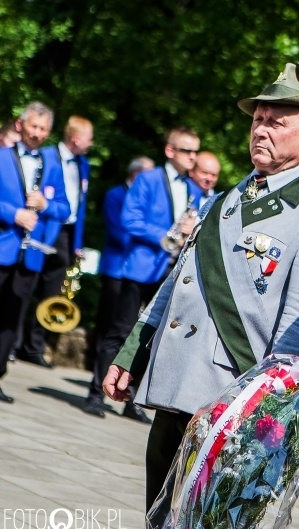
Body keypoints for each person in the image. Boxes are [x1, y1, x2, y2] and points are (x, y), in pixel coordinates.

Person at [103, 62, 299, 512]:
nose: (261, 130)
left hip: (234, 409)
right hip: (176, 387)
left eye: (276, 122)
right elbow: (179, 281)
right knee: (157, 519)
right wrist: (133, 352)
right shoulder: (225, 199)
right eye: (258, 120)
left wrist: (254, 410)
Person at [95, 127, 203, 424]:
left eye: (195, 152)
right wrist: (164, 236)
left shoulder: (193, 188)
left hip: (171, 270)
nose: (193, 158)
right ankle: (95, 392)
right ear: (170, 151)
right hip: (142, 265)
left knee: (152, 339)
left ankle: (132, 400)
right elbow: (129, 219)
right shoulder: (148, 179)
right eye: (187, 151)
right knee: (121, 330)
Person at [0, 102, 69, 403]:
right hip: (3, 246)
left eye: (43, 129)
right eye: (33, 127)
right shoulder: (2, 156)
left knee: (11, 318)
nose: (37, 134)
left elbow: (65, 208)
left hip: (30, 254)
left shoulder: (52, 165)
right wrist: (13, 213)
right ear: (20, 124)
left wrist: (46, 205)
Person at [19, 115, 94, 368]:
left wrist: (77, 242)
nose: (91, 143)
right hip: (40, 228)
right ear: (76, 138)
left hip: (66, 231)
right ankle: (14, 341)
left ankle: (35, 345)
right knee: (26, 285)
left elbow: (80, 207)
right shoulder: (47, 155)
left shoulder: (84, 164)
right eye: (89, 138)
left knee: (52, 291)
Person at [82, 156, 155, 417]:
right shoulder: (117, 194)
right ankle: (96, 391)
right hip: (118, 268)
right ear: (135, 174)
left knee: (140, 335)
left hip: (145, 269)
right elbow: (119, 229)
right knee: (112, 329)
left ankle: (130, 397)